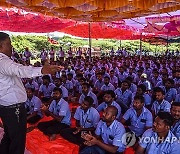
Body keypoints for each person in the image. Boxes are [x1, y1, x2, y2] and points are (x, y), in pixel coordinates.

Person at [0, 32, 63, 154]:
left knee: (9, 136)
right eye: (9, 44)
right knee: (17, 140)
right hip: (14, 108)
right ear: (1, 46)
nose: (11, 47)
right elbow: (20, 70)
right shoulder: (3, 61)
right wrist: (42, 70)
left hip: (6, 106)